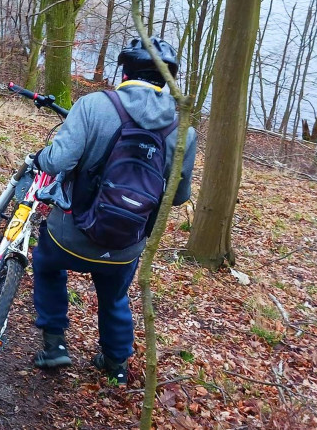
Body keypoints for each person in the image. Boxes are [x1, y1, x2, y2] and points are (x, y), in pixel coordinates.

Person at [30, 37, 197, 386]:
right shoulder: (184, 132)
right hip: (125, 245)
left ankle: (55, 342)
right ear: (166, 79)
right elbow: (178, 196)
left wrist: (41, 158)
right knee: (114, 294)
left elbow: (59, 159)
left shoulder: (94, 105)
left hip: (71, 235)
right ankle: (116, 364)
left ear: (124, 70)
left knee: (46, 263)